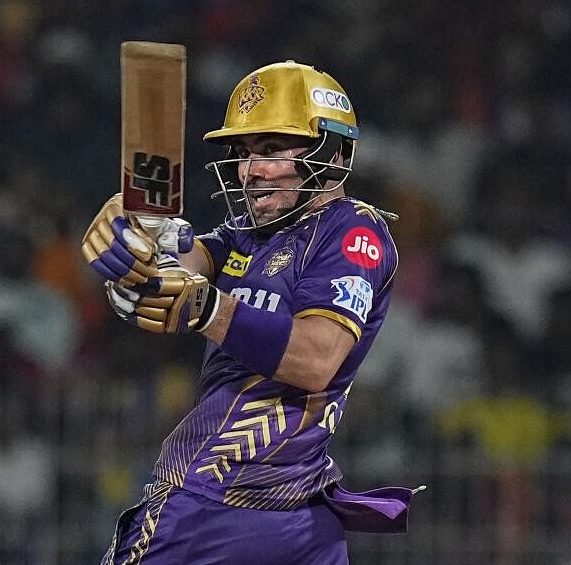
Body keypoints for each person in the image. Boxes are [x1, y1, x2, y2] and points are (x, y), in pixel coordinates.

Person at [82, 61, 421, 564]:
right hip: (254, 510)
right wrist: (137, 251)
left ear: (333, 150)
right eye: (243, 153)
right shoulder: (241, 235)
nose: (250, 170)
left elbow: (316, 359)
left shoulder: (351, 233)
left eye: (271, 150)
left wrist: (203, 304)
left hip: (239, 505)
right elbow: (181, 266)